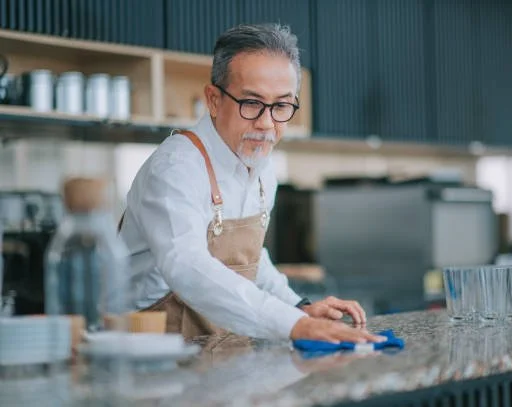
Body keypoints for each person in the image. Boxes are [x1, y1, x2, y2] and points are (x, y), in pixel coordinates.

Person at [118, 23, 384, 346]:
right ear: (213, 100)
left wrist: (300, 308)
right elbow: (186, 267)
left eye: (282, 106)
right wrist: (293, 325)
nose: (267, 123)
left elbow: (251, 261)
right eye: (252, 103)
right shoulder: (175, 168)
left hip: (212, 356)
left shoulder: (262, 169)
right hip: (145, 357)